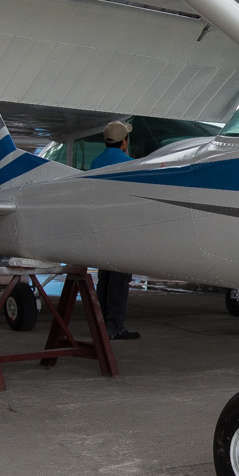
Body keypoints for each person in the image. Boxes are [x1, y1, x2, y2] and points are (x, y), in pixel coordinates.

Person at [90, 120, 139, 340]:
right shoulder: (129, 164)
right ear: (124, 142)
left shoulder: (94, 164)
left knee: (105, 279)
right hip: (121, 232)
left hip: (101, 230)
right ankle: (115, 327)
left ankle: (101, 325)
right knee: (119, 282)